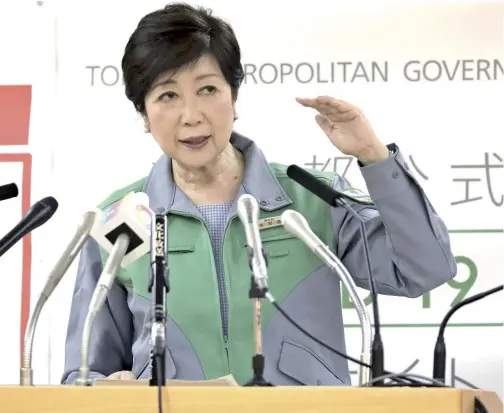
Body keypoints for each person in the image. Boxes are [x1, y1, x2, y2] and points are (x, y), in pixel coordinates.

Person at [61, 2, 456, 386]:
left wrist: (374, 158)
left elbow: (424, 270)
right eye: (167, 96)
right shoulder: (124, 217)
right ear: (144, 115)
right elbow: (85, 371)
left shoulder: (310, 199)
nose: (192, 114)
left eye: (208, 89)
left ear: (234, 97)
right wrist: (106, 385)